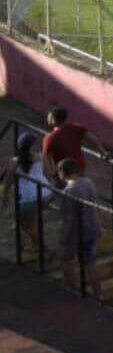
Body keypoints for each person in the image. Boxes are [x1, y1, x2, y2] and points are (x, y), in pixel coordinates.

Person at [1, 132, 52, 257]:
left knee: (25, 225)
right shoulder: (41, 156)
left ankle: (47, 250)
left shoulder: (15, 161)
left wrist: (5, 195)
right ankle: (34, 245)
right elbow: (49, 173)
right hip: (45, 192)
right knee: (33, 221)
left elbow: (8, 180)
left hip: (28, 197)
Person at [56, 159, 102, 298]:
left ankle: (75, 289)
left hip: (78, 232)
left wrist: (63, 238)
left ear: (63, 173)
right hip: (93, 227)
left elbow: (68, 219)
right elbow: (96, 204)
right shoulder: (88, 182)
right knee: (90, 263)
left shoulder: (68, 191)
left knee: (65, 258)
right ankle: (98, 295)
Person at [42, 106, 103, 179]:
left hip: (63, 173)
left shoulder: (50, 138)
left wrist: (52, 174)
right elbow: (94, 140)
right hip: (78, 168)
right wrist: (102, 152)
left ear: (53, 120)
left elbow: (46, 157)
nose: (47, 118)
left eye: (49, 117)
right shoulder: (76, 128)